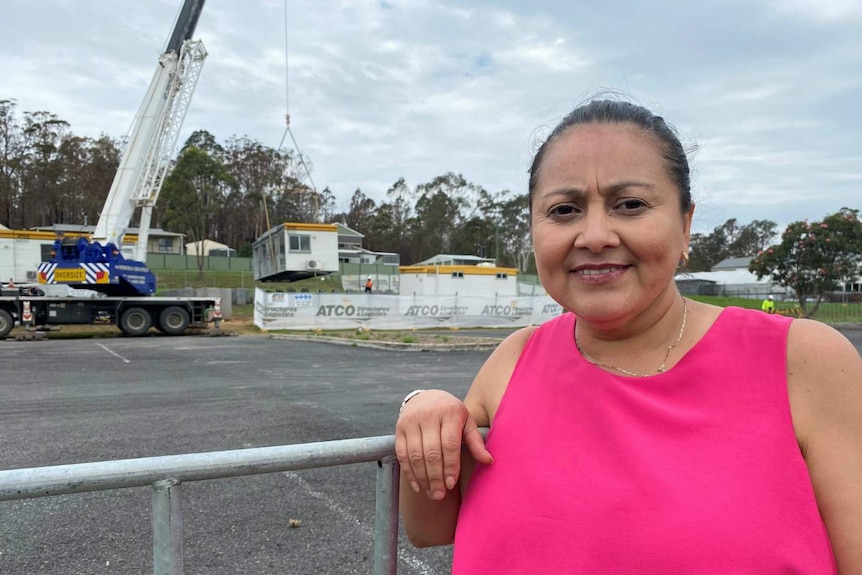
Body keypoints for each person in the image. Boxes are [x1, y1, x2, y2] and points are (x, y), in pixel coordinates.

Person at [395, 99, 862, 573]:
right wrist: (423, 409)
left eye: (631, 205)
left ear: (685, 225)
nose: (594, 236)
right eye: (564, 210)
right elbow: (430, 527)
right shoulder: (515, 358)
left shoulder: (803, 360)